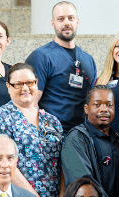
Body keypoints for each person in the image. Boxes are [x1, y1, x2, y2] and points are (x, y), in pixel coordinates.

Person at [0, 63, 64, 197]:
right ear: (8, 86)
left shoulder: (52, 121)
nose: (25, 88)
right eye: (18, 84)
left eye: (29, 83)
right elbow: (3, 165)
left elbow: (62, 164)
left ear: (36, 83)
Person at [26, 1, 96, 133]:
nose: (66, 23)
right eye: (60, 19)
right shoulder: (40, 57)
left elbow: (91, 102)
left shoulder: (88, 60)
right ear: (53, 23)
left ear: (77, 21)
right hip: (51, 135)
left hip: (81, 136)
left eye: (71, 18)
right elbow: (30, 103)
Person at [61, 86, 119, 197]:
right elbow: (84, 182)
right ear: (86, 109)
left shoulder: (117, 139)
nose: (104, 109)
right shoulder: (77, 138)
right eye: (97, 105)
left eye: (109, 105)